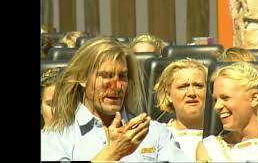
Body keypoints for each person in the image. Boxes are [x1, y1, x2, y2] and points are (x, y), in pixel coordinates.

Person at [41, 36, 189, 162]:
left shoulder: (155, 133)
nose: (116, 86)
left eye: (122, 76)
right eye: (106, 76)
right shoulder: (55, 137)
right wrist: (112, 153)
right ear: (83, 78)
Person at [196, 62, 258, 162]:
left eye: (225, 98)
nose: (217, 107)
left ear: (254, 99)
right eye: (215, 100)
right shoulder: (209, 149)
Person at [154, 58, 207, 161]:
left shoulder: (226, 137)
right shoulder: (157, 136)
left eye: (198, 86)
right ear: (168, 94)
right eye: (183, 87)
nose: (191, 93)